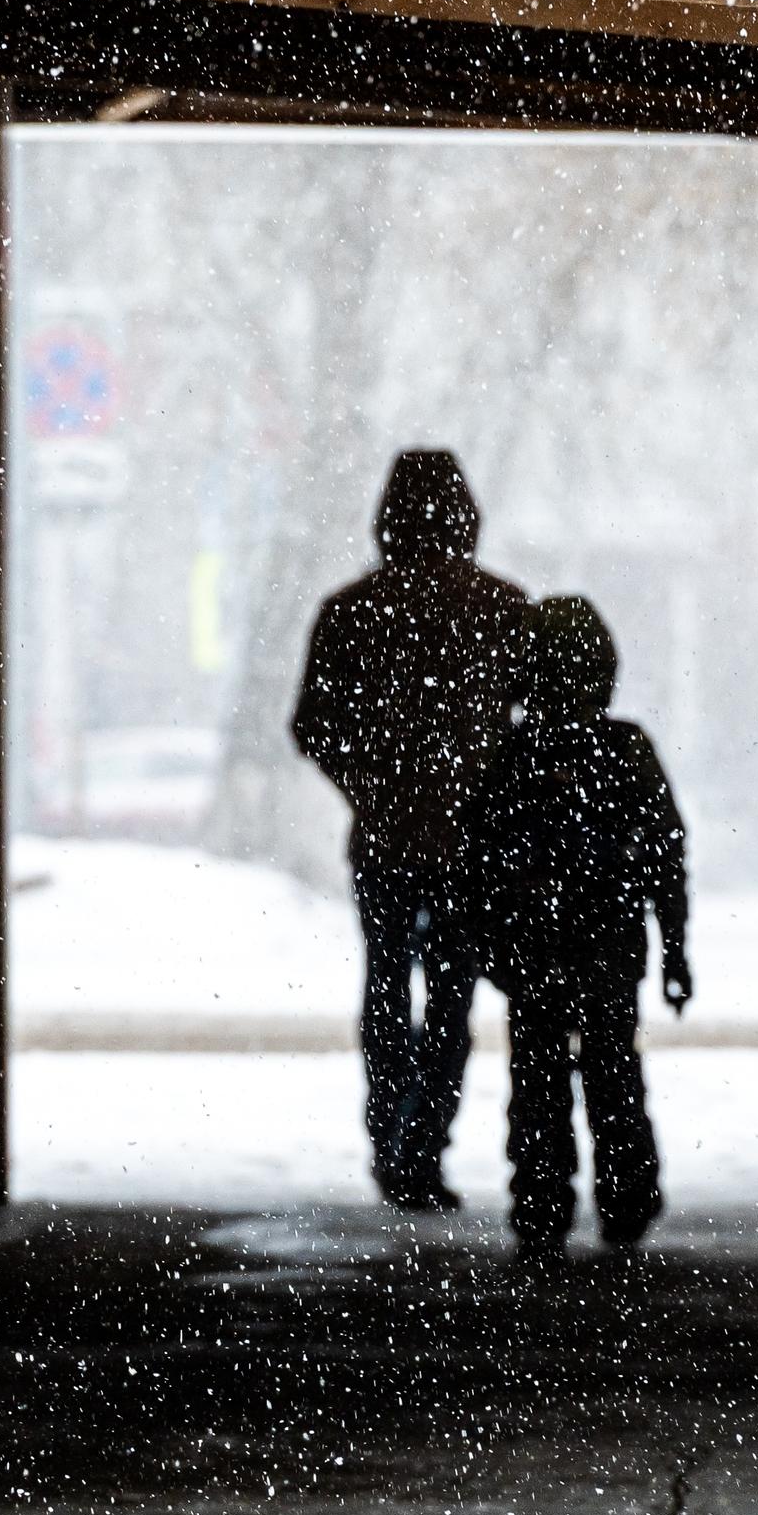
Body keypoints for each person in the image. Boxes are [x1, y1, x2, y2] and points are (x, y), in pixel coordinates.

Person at [292, 450, 531, 1210]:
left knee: (387, 985)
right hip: (470, 844)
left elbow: (312, 726)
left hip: (386, 839)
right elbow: (539, 720)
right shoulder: (503, 608)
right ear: (465, 512)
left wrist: (374, 788)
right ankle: (424, 1144)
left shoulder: (350, 611)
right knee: (453, 995)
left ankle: (388, 1139)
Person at [471, 595, 690, 1263]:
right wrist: (676, 948)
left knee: (536, 1082)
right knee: (614, 1074)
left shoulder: (511, 755)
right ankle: (625, 1196)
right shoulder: (625, 750)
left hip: (533, 952)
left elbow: (478, 858)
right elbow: (664, 853)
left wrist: (487, 939)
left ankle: (540, 1203)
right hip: (609, 947)